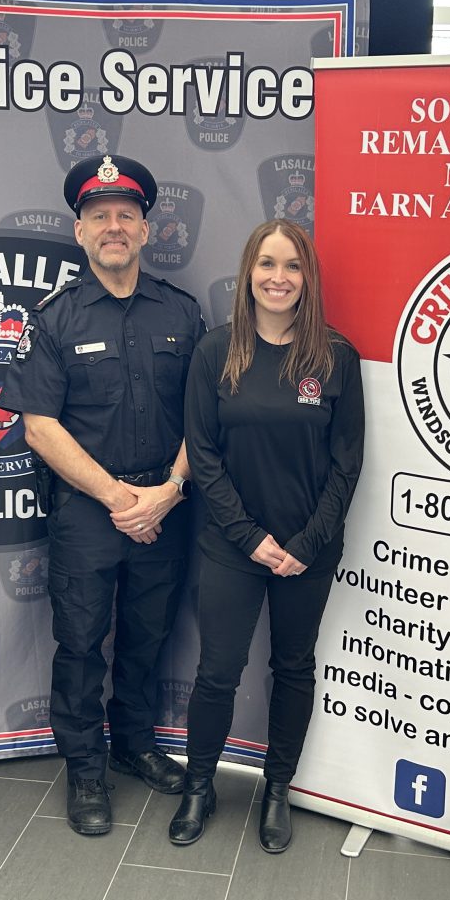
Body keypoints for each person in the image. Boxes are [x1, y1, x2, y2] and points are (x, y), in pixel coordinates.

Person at [0, 154, 204, 835]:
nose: (113, 227)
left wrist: (168, 492)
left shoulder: (182, 311)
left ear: (147, 230)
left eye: (126, 216)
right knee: (82, 644)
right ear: (80, 233)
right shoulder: (53, 319)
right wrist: (123, 499)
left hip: (168, 508)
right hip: (90, 510)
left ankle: (136, 745)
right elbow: (39, 427)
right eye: (99, 217)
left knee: (149, 636)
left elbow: (203, 419)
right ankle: (86, 767)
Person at [169, 220, 364, 851]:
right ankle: (199, 787)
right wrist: (250, 537)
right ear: (248, 272)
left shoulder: (336, 358)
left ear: (308, 279)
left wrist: (306, 545)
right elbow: (202, 453)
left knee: (294, 668)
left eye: (293, 266)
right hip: (232, 546)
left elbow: (347, 462)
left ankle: (277, 790)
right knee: (218, 672)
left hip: (308, 550)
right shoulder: (216, 352)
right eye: (267, 264)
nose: (279, 278)